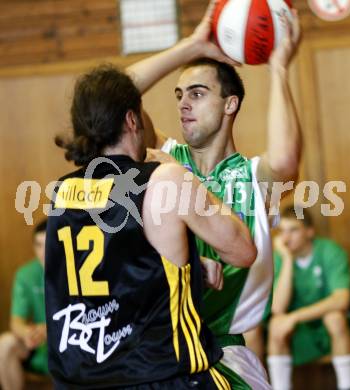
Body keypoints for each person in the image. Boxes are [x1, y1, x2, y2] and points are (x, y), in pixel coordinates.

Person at [44, 55, 259, 388]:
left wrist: (191, 265)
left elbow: (115, 267)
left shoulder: (62, 191)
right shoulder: (165, 177)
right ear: (132, 121)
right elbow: (243, 250)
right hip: (160, 373)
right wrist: (184, 173)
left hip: (82, 376)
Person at [125, 2, 302, 388]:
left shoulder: (257, 178)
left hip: (224, 355)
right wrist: (190, 47)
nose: (183, 103)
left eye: (198, 93)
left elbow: (287, 158)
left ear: (230, 104)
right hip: (160, 349)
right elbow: (117, 96)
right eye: (179, 94)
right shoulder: (161, 158)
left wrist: (279, 68)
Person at [267, 206, 350, 390]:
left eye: (293, 230)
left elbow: (341, 300)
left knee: (335, 318)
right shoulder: (279, 258)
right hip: (299, 332)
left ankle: (348, 386)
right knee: (276, 324)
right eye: (282, 231)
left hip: (326, 326)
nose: (286, 238)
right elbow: (277, 308)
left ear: (309, 231)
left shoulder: (330, 251)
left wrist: (295, 317)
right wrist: (288, 261)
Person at [0, 220, 48, 390]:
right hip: (38, 347)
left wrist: (48, 329)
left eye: (49, 244)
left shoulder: (76, 272)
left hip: (71, 342)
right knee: (5, 343)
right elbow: (16, 322)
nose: (44, 252)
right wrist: (28, 333)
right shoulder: (26, 274)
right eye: (39, 245)